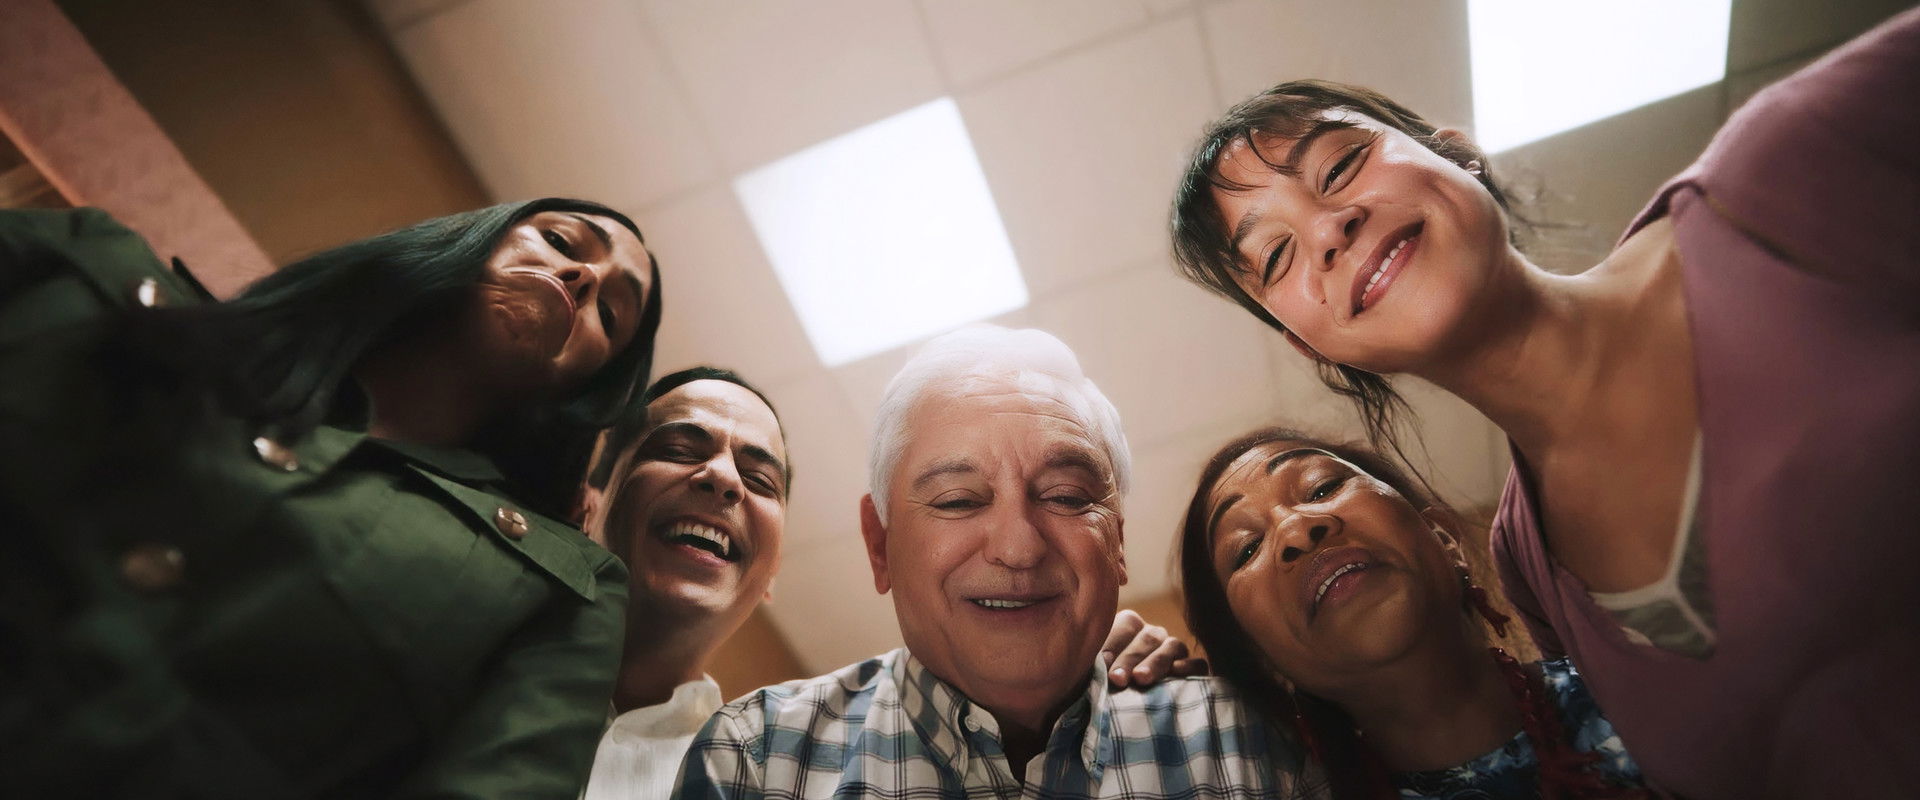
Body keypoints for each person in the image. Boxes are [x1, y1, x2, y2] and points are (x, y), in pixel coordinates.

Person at [1167, 10, 1920, 797]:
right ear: (1311, 344)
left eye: (1342, 163)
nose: (1328, 228)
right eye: (1278, 253)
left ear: (1455, 151)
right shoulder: (1530, 566)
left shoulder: (1782, 176)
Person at [0, 198, 661, 798]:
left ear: (586, 391)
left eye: (612, 311)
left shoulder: (562, 591)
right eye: (562, 241)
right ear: (473, 235)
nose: (584, 279)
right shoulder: (92, 262)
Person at [676, 325, 1318, 799]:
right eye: (958, 500)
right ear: (880, 547)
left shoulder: (1243, 743)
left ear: (1117, 544)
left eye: (1066, 497)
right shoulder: (757, 762)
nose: (1018, 547)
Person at [581, 366, 1199, 798]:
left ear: (770, 574)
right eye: (681, 447)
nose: (723, 480)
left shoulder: (730, 761)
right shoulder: (755, 758)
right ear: (590, 502)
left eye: (761, 480)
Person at [1180, 428, 1650, 799]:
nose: (1297, 530)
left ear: (1445, 540)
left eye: (1322, 487)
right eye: (1245, 549)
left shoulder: (1645, 683)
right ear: (1262, 660)